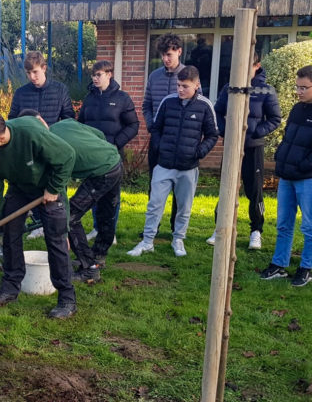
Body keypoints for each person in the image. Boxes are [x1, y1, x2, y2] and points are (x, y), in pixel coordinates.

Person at [0, 112, 77, 319]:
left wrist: (54, 188)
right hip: (19, 188)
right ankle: (9, 290)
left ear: (1, 137)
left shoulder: (29, 133)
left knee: (55, 240)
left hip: (48, 188)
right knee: (9, 236)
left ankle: (67, 298)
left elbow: (67, 156)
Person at [260, 66, 312, 287]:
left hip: (309, 177)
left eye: (304, 88)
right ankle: (279, 264)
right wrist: (281, 156)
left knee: (309, 225)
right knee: (284, 223)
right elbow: (289, 137)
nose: (299, 91)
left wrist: (305, 166)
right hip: (287, 175)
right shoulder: (298, 109)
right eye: (297, 87)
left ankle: (306, 267)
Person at [127, 65, 218, 258]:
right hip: (164, 164)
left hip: (188, 167)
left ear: (196, 85)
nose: (180, 90)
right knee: (154, 204)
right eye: (178, 85)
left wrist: (199, 152)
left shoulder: (205, 106)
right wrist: (160, 148)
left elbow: (212, 135)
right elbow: (156, 128)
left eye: (185, 86)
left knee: (184, 207)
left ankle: (178, 239)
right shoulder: (168, 102)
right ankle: (147, 241)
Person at [27, 111, 123, 284]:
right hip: (114, 159)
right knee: (106, 214)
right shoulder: (65, 123)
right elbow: (98, 134)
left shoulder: (48, 148)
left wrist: (63, 227)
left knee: (70, 218)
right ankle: (98, 257)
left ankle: (89, 269)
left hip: (103, 172)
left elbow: (60, 189)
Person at [208, 53, 282, 251]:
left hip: (253, 148)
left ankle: (256, 231)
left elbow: (275, 119)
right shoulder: (229, 88)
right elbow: (218, 112)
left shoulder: (265, 90)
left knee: (254, 190)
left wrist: (256, 132)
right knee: (227, 188)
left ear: (256, 66)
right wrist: (226, 131)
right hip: (232, 147)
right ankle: (220, 228)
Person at [76, 59, 139, 255]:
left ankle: (109, 233)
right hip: (92, 156)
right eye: (93, 75)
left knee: (112, 196)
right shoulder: (89, 99)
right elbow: (81, 124)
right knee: (93, 192)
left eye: (98, 75)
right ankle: (97, 228)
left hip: (112, 155)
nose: (95, 78)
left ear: (109, 74)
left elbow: (133, 126)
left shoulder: (122, 98)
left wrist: (116, 143)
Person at [142, 34, 185, 235]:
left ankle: (176, 229)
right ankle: (153, 227)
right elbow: (146, 105)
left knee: (179, 187)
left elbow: (197, 103)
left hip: (180, 140)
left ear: (179, 51)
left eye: (169, 54)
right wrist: (152, 126)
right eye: (163, 55)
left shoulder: (188, 75)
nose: (166, 59)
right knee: (155, 183)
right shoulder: (154, 76)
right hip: (158, 138)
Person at [8, 51, 75, 125]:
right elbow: (12, 121)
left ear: (44, 68)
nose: (32, 77)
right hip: (28, 135)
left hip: (51, 135)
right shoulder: (20, 93)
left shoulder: (60, 90)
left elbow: (68, 120)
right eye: (28, 73)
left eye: (35, 72)